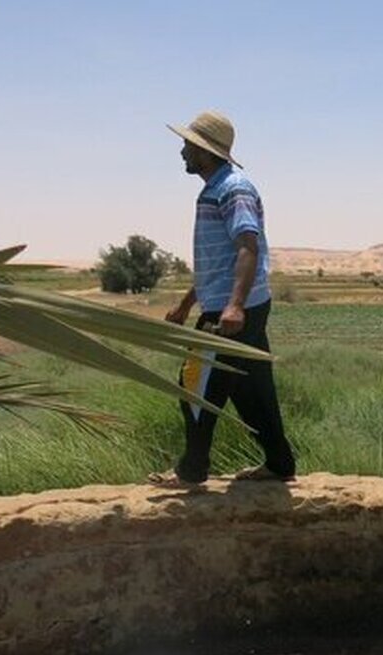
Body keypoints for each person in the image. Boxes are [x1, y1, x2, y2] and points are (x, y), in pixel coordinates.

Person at [149, 110, 296, 486]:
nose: (182, 152)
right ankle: (279, 464)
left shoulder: (234, 188)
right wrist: (186, 303)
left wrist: (233, 305)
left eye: (187, 145)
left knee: (194, 387)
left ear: (204, 150)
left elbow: (248, 246)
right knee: (251, 390)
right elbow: (219, 262)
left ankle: (192, 471)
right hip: (236, 305)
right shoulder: (214, 188)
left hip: (235, 311)